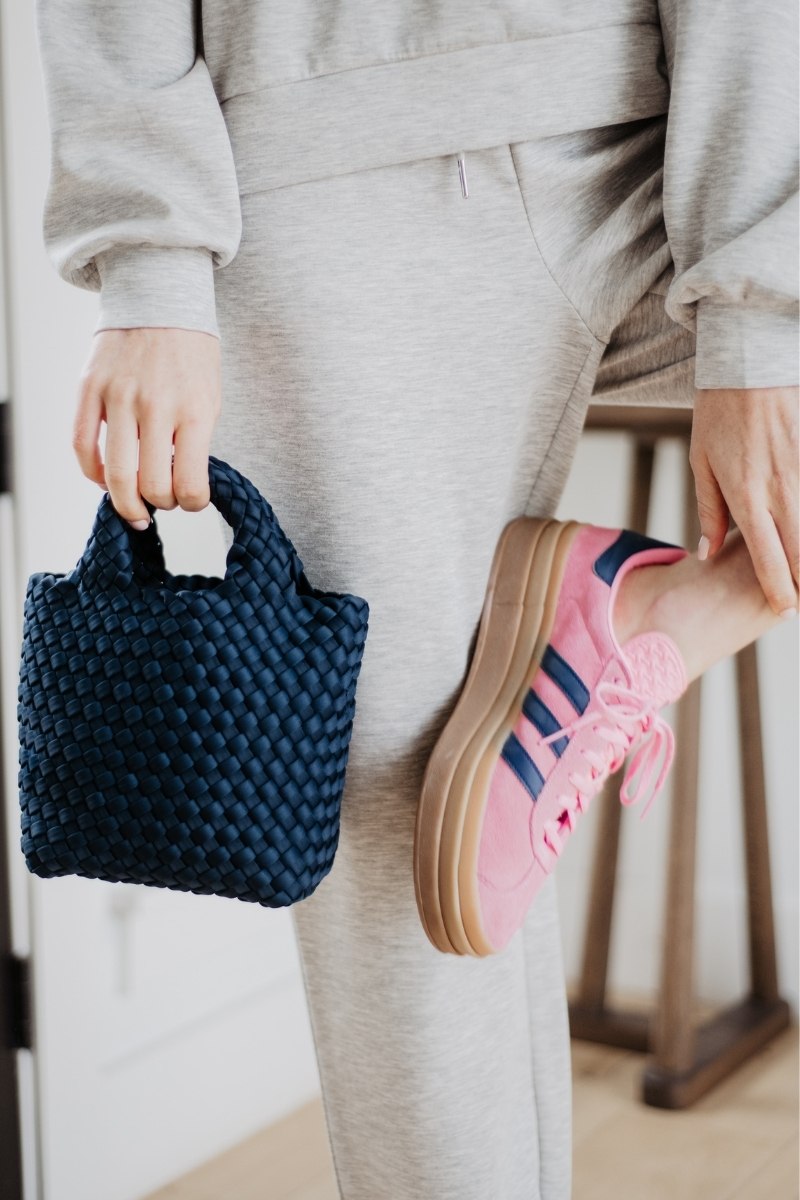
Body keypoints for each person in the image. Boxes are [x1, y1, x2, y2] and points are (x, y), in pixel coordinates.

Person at [34, 0, 798, 1196]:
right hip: (328, 157)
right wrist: (153, 270)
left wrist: (761, 325)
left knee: (430, 837)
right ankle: (601, 638)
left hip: (644, 130)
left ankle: (640, 621)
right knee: (415, 869)